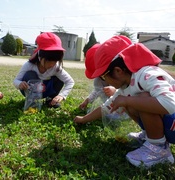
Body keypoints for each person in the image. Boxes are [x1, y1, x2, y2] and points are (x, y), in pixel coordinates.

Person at [74, 35, 175, 168]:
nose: (104, 81)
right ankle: (150, 136)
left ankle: (158, 148)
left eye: (104, 76)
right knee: (130, 102)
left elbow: (170, 104)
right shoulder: (126, 87)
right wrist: (83, 119)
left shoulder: (147, 74)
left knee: (140, 98)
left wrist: (128, 100)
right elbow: (106, 108)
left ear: (118, 71)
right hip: (168, 124)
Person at [13, 32, 74, 108]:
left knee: (59, 78)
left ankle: (50, 99)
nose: (52, 64)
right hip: (31, 91)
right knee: (30, 74)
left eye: (55, 61)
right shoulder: (29, 65)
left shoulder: (56, 67)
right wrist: (20, 84)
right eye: (49, 61)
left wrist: (62, 95)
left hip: (46, 90)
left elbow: (70, 81)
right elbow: (15, 81)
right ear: (39, 56)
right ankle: (31, 100)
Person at [79, 44, 116, 111]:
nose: (101, 76)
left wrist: (115, 91)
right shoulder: (98, 79)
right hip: (110, 107)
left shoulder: (119, 76)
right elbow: (97, 91)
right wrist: (87, 100)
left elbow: (127, 91)